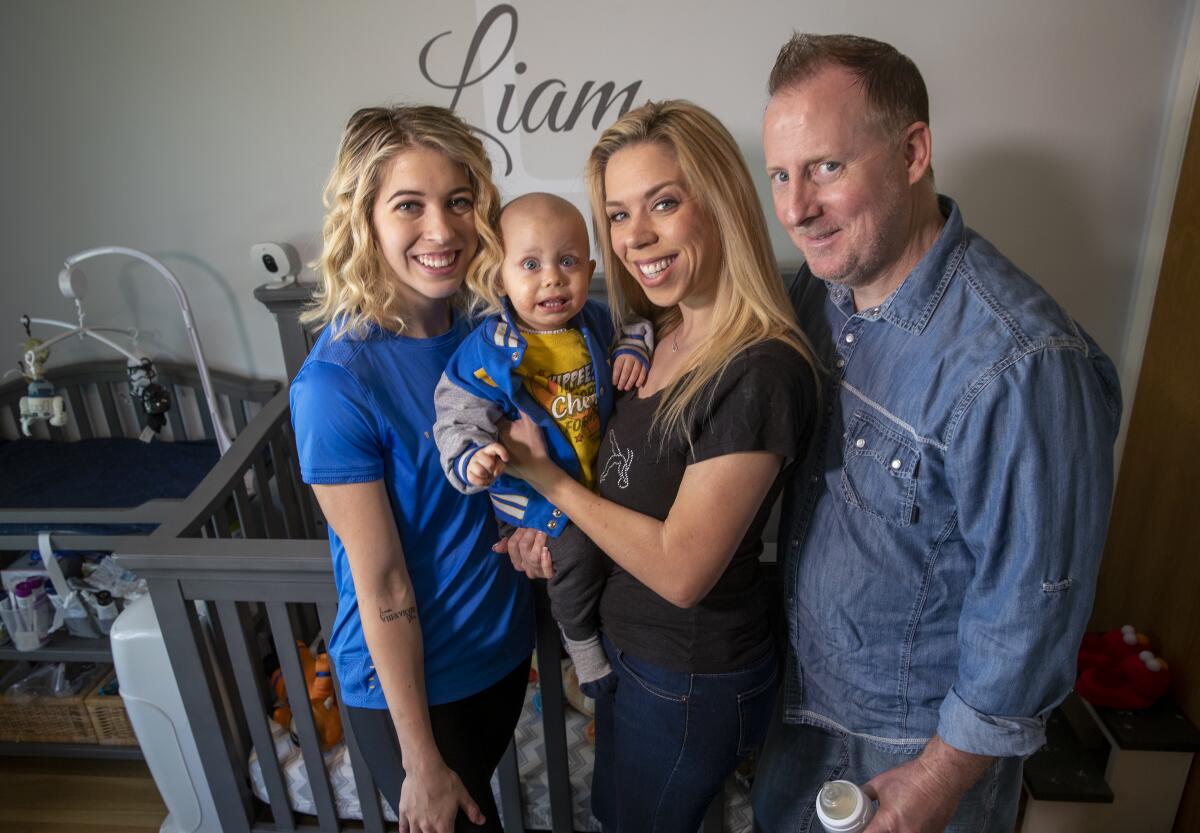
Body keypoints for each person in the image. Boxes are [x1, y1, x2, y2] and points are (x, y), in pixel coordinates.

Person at [751, 34, 1122, 833]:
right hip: (805, 713)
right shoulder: (820, 297)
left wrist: (940, 777)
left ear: (913, 151)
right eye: (781, 174)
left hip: (905, 759)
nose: (793, 208)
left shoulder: (1021, 362)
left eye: (825, 167)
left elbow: (1033, 604)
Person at [498, 99, 819, 833]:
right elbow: (614, 487)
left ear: (722, 203)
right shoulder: (655, 334)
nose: (635, 236)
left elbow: (680, 569)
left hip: (688, 674)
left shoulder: (759, 367)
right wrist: (543, 527)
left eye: (663, 204)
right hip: (635, 659)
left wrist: (546, 481)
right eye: (616, 214)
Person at [289, 105, 534, 833]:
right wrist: (419, 758)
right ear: (364, 219)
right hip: (416, 693)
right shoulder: (336, 383)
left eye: (459, 201)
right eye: (409, 206)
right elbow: (384, 581)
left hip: (500, 651)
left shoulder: (489, 330)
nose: (442, 229)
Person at [432, 192, 651, 690]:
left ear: (590, 267)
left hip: (598, 482)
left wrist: (635, 350)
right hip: (531, 496)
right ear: (497, 276)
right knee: (574, 556)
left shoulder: (594, 322)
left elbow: (638, 323)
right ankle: (581, 644)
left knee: (625, 550)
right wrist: (473, 459)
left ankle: (616, 635)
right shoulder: (489, 350)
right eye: (530, 264)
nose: (552, 277)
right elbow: (455, 417)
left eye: (568, 261)